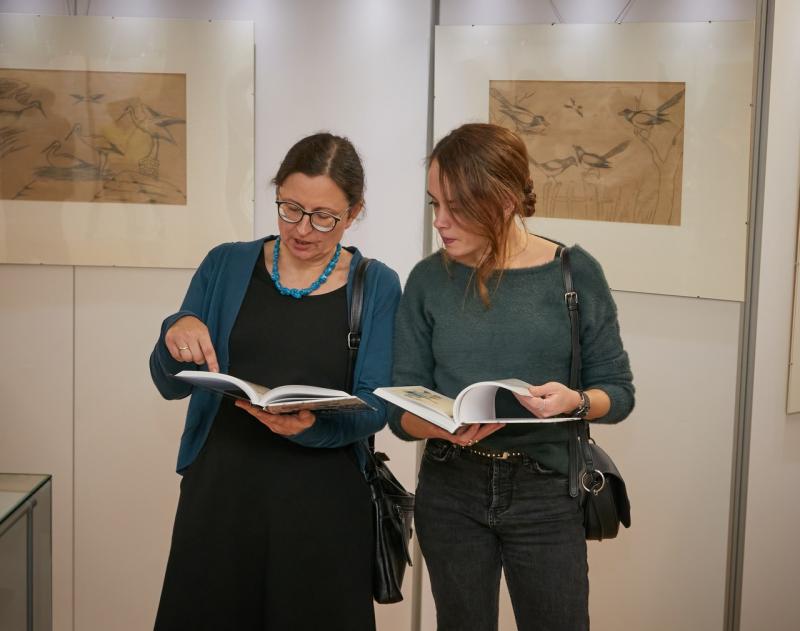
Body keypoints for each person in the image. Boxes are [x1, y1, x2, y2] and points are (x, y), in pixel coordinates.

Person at [149, 132, 401, 631]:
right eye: (290, 209)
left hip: (323, 503)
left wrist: (311, 427)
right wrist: (175, 330)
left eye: (323, 217)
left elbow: (377, 407)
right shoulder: (225, 264)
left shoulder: (376, 284)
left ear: (353, 213)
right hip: (221, 493)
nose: (302, 229)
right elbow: (171, 384)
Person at [388, 123, 635, 631]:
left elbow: (618, 393)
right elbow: (400, 412)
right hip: (450, 487)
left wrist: (573, 401)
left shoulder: (573, 273)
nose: (440, 221)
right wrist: (441, 426)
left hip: (547, 492)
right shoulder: (427, 280)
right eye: (434, 203)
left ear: (503, 201)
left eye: (456, 207)